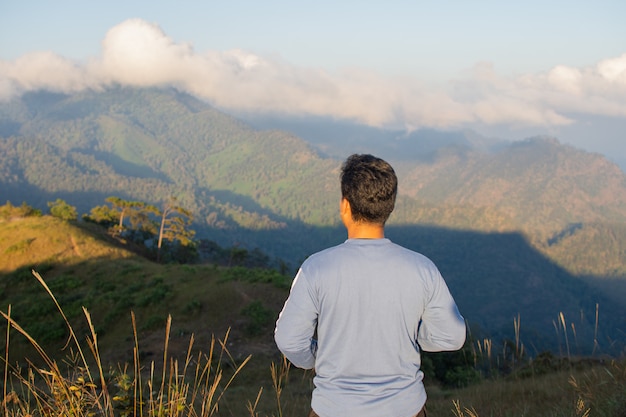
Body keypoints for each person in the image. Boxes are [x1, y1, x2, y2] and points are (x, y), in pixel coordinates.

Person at [274, 154, 466, 417]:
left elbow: (289, 339)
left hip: (332, 409)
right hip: (405, 408)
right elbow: (452, 336)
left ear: (345, 205)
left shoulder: (316, 268)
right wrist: (417, 338)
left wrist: (318, 357)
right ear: (391, 206)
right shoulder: (422, 268)